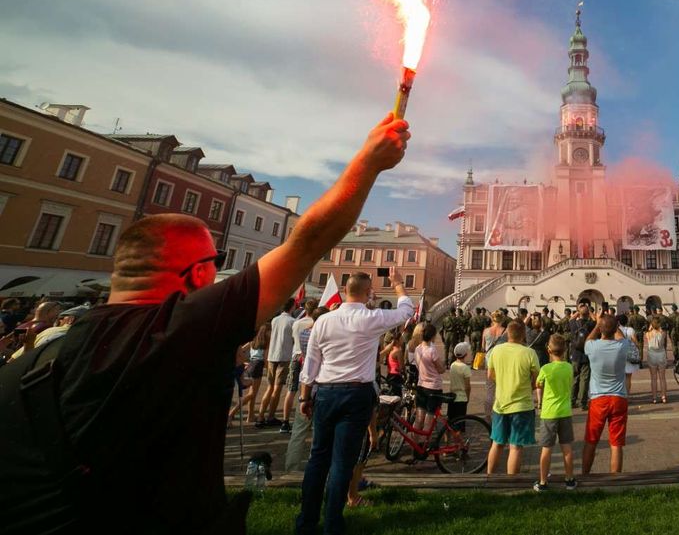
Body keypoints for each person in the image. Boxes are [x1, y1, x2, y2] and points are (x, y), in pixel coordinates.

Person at [0, 113, 410, 535]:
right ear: (198, 275)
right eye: (214, 263)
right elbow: (307, 241)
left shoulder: (26, 371)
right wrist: (369, 161)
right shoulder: (183, 333)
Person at [296, 269, 415, 534]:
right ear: (366, 292)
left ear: (346, 290)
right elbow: (407, 311)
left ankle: (306, 522)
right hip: (356, 394)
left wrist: (305, 397)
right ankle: (332, 523)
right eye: (371, 290)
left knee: (318, 458)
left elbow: (311, 363)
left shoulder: (323, 321)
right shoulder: (370, 318)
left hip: (324, 392)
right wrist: (397, 283)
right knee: (342, 462)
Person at [486, 321, 540, 476]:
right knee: (515, 447)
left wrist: (503, 381)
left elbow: (490, 375)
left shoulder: (496, 351)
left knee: (497, 443)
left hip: (500, 404)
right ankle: (511, 480)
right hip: (521, 406)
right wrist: (528, 387)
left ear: (507, 333)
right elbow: (537, 380)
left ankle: (489, 476)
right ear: (523, 334)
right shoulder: (529, 353)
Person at [582, 314, 632, 474]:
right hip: (618, 397)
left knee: (591, 440)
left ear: (601, 330)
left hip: (598, 398)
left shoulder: (593, 347)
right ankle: (615, 479)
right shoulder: (622, 346)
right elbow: (621, 336)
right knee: (616, 443)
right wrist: (613, 324)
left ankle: (585, 475)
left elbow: (588, 339)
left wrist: (598, 324)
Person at [286, 306, 330, 473]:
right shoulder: (323, 336)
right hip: (320, 385)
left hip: (305, 385)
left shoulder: (304, 333)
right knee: (319, 432)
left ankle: (291, 468)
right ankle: (316, 468)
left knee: (298, 431)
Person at [534, 335, 577, 491]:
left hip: (549, 412)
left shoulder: (546, 368)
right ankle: (570, 479)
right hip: (565, 411)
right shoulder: (569, 367)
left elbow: (537, 383)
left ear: (549, 350)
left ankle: (543, 481)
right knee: (567, 447)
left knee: (547, 448)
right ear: (565, 350)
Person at [257, 300, 297, 429]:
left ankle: (261, 416)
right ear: (292, 307)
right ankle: (270, 416)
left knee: (269, 387)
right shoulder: (292, 322)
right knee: (277, 389)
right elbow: (293, 339)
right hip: (283, 356)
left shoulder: (275, 320)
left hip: (272, 355)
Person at [283, 299, 318, 434]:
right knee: (307, 391)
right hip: (306, 358)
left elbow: (293, 339)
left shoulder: (296, 323)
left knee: (291, 390)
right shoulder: (314, 324)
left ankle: (285, 421)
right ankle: (307, 420)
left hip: (295, 356)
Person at [567, 303, 594, 411]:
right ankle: (583, 402)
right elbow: (597, 320)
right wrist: (589, 311)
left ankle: (572, 401)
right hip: (586, 353)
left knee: (575, 378)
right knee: (585, 379)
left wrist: (579, 310)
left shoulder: (573, 324)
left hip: (575, 354)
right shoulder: (591, 324)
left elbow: (570, 319)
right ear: (588, 314)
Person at [644, 315, 672, 404]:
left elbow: (648, 333)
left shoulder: (648, 334)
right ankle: (663, 396)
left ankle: (654, 397)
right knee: (662, 378)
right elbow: (662, 335)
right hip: (661, 355)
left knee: (653, 378)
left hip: (652, 355)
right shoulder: (663, 333)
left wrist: (650, 328)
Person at [448, 341, 473, 425]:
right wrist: (468, 397)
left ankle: (447, 438)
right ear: (465, 354)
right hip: (462, 398)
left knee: (450, 421)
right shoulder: (465, 368)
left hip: (452, 396)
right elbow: (467, 386)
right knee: (460, 423)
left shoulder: (452, 365)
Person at [617, 313, 640, 395]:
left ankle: (620, 394)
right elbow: (636, 343)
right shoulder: (630, 330)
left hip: (619, 355)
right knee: (628, 377)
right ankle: (626, 395)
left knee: (619, 377)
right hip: (629, 356)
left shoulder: (615, 330)